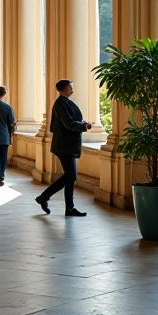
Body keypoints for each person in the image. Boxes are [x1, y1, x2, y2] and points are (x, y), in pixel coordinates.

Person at [35, 79, 92, 217]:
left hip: (68, 144)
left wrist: (83, 123)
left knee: (70, 176)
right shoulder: (60, 103)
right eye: (70, 87)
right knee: (71, 175)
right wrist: (84, 126)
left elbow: (70, 121)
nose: (72, 89)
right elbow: (68, 123)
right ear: (63, 89)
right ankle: (44, 196)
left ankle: (70, 208)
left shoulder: (65, 102)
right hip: (64, 145)